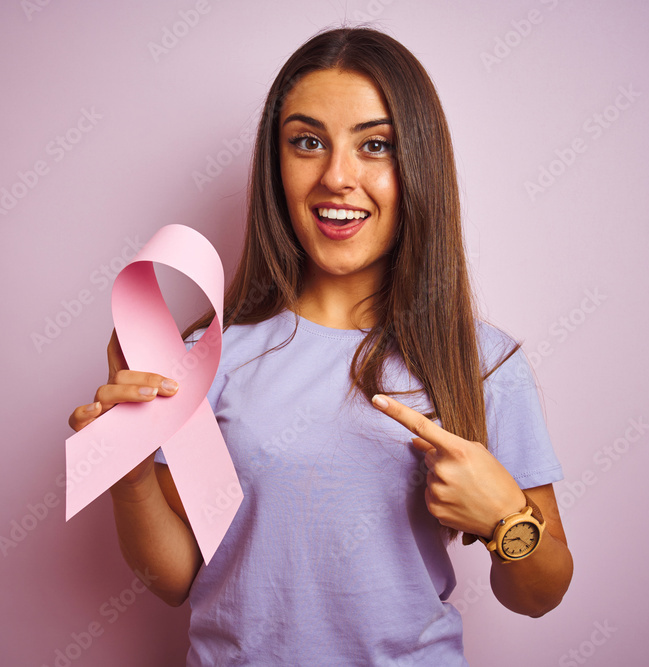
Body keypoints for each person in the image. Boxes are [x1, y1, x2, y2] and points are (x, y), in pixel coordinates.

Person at [68, 26, 573, 665]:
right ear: (276, 164)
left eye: (376, 146)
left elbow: (539, 595)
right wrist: (130, 472)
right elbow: (180, 578)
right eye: (307, 142)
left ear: (418, 163)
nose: (337, 176)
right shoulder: (209, 356)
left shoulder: (482, 363)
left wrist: (507, 521)